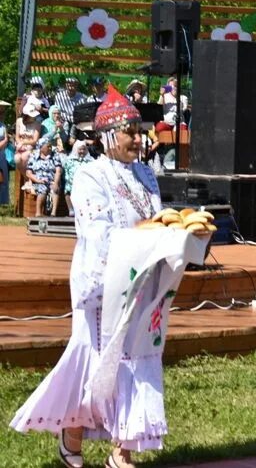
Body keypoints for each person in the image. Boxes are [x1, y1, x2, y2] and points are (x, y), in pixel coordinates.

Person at [10, 85, 171, 467]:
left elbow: (158, 215)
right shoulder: (89, 175)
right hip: (102, 286)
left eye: (139, 130)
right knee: (97, 361)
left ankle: (122, 450)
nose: (137, 138)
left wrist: (173, 236)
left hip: (142, 284)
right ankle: (73, 432)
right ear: (107, 137)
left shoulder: (147, 174)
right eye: (129, 131)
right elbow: (97, 232)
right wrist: (145, 236)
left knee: (136, 361)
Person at [25, 135, 62, 217]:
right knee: (42, 188)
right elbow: (28, 172)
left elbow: (58, 171)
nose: (50, 148)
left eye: (50, 146)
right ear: (41, 147)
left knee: (55, 189)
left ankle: (53, 213)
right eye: (48, 146)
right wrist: (38, 180)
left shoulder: (55, 155)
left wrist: (56, 182)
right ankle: (38, 213)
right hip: (38, 180)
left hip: (52, 179)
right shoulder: (34, 156)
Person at [61, 141, 93, 216]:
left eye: (84, 149)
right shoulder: (69, 160)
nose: (82, 151)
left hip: (85, 182)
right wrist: (70, 180)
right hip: (71, 181)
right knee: (68, 188)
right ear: (76, 149)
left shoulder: (90, 161)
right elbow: (66, 172)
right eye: (80, 149)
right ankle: (71, 209)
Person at [15, 101, 43, 173]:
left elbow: (35, 140)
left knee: (25, 157)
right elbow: (17, 136)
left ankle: (28, 178)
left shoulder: (37, 124)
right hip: (20, 146)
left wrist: (23, 143)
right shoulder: (19, 121)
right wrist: (20, 144)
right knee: (17, 159)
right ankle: (27, 177)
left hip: (31, 147)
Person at [0, 100, 9, 206]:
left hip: (2, 156)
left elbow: (6, 139)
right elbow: (5, 140)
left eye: (3, 112)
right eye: (0, 112)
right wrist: (5, 141)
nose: (2, 114)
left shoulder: (3, 125)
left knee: (3, 180)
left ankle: (2, 203)